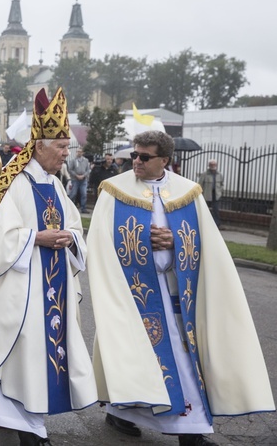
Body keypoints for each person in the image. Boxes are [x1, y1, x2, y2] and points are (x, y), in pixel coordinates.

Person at [86, 131, 274, 445]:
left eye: (144, 157)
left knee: (181, 358)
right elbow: (100, 243)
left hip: (176, 293)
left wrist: (176, 243)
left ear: (165, 160)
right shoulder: (114, 190)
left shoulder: (188, 193)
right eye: (135, 155)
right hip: (132, 294)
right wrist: (141, 244)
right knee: (130, 354)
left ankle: (191, 429)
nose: (137, 162)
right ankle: (121, 412)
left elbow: (207, 244)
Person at [0, 88, 97, 446]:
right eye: (62, 147)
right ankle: (29, 430)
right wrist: (34, 238)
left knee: (43, 358)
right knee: (24, 358)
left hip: (53, 290)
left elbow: (76, 229)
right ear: (39, 146)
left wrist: (70, 238)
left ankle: (33, 427)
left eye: (68, 148)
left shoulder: (56, 184)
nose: (67, 154)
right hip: (21, 291)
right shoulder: (8, 182)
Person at [197, 159, 223, 228]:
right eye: (211, 165)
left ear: (216, 165)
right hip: (207, 194)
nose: (213, 166)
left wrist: (220, 192)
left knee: (216, 210)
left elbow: (221, 184)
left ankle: (217, 224)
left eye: (214, 165)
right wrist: (200, 193)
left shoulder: (219, 174)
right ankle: (204, 223)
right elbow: (200, 184)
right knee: (205, 210)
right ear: (209, 165)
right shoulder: (205, 174)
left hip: (216, 195)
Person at [67, 146, 90, 213]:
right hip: (75, 179)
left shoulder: (86, 160)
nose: (78, 153)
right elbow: (70, 169)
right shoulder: (73, 160)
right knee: (73, 194)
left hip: (83, 180)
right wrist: (76, 175)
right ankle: (71, 208)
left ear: (82, 153)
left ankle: (83, 208)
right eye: (77, 152)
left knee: (84, 194)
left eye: (80, 152)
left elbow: (88, 170)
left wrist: (84, 175)